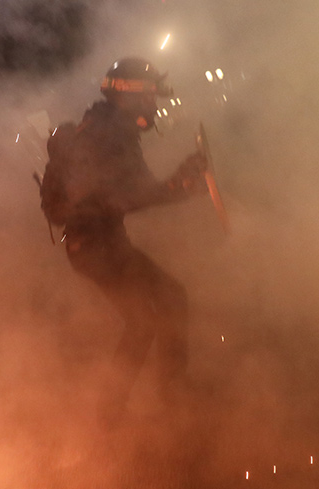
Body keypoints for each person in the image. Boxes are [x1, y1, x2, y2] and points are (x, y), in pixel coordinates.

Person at [55, 57, 208, 426]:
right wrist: (182, 184)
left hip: (100, 244)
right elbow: (134, 196)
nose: (153, 106)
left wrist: (180, 185)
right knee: (149, 317)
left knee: (165, 303)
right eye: (150, 97)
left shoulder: (106, 126)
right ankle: (145, 404)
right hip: (96, 248)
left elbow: (133, 193)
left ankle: (138, 403)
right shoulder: (110, 134)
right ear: (131, 96)